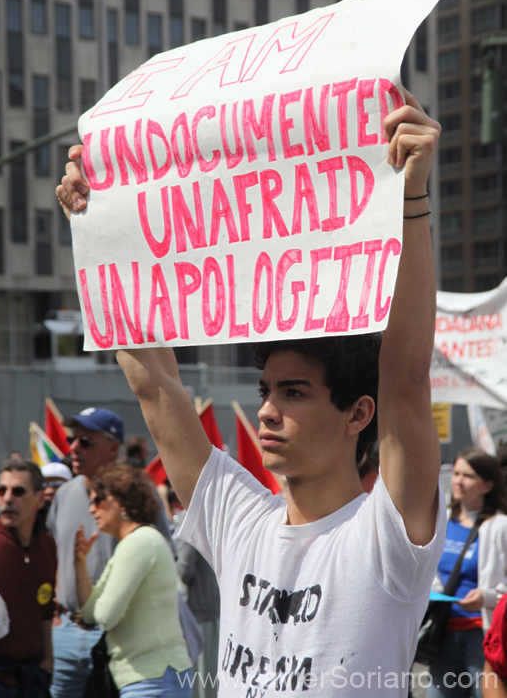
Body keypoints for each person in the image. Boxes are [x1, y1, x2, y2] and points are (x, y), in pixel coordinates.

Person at [58, 93, 444, 696]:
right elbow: (155, 386)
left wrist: (412, 198)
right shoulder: (239, 520)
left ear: (357, 413)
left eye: (295, 393)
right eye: (267, 390)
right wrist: (98, 225)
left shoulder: (386, 540)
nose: (267, 409)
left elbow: (405, 377)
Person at [74, 463, 192, 696]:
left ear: (122, 501)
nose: (91, 509)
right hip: (153, 677)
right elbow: (88, 612)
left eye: (98, 500)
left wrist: (97, 608)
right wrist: (79, 562)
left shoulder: (139, 542)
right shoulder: (134, 542)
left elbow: (104, 616)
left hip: (154, 678)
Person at [46, 408, 124, 698]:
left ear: (113, 448)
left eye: (86, 441)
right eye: (73, 439)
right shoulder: (65, 493)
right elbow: (56, 552)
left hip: (116, 635)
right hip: (65, 632)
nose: (74, 448)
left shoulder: (137, 495)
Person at [428, 449, 507, 698]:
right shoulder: (440, 521)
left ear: (487, 485)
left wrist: (485, 597)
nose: (459, 481)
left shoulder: (500, 526)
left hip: (481, 635)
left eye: (469, 475)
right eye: (456, 473)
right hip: (441, 632)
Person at [0, 458, 56, 698]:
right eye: (1, 490)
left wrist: (48, 662)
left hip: (31, 678)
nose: (7, 498)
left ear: (40, 499)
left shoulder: (48, 545)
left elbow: (46, 610)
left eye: (18, 491)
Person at [176, 529, 220, 698]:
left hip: (200, 614)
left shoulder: (190, 521)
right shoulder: (205, 516)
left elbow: (184, 571)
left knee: (202, 685)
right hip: (210, 610)